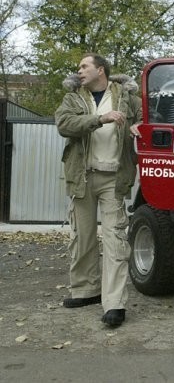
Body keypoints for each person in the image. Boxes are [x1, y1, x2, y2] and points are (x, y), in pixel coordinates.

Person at [55, 53, 142, 327]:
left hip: (114, 178)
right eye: (79, 67)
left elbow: (147, 118)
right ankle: (85, 290)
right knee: (83, 238)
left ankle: (115, 304)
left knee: (116, 240)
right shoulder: (73, 98)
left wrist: (139, 125)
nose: (79, 71)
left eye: (84, 66)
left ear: (100, 70)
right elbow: (64, 125)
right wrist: (99, 119)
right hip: (82, 176)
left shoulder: (127, 97)